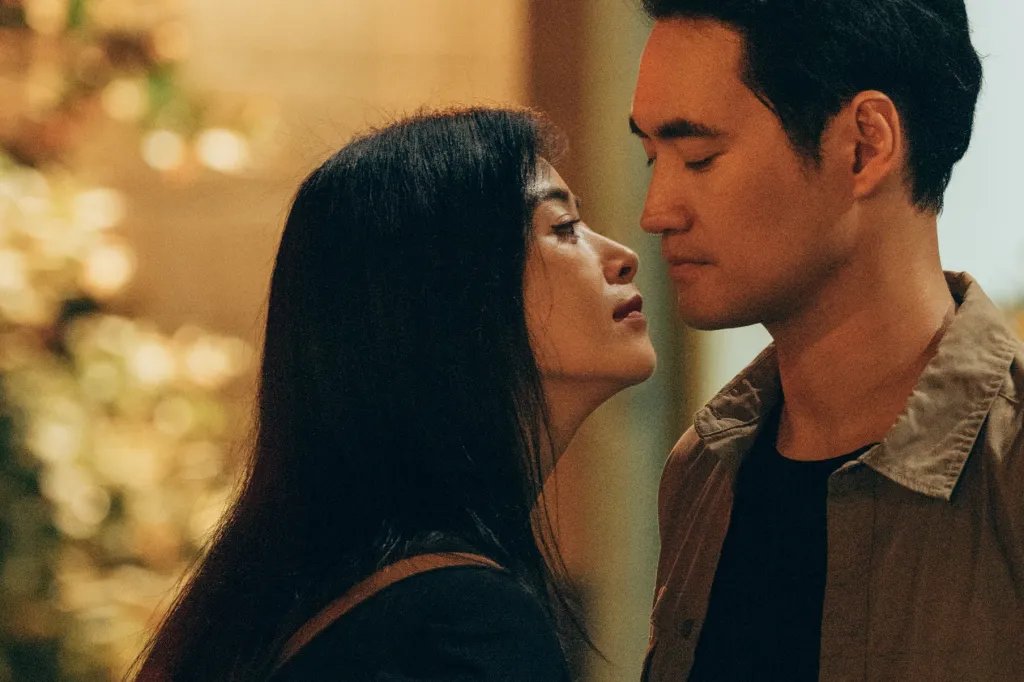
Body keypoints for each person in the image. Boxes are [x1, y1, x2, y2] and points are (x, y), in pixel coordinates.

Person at [131, 107, 656, 681]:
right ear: (451, 295)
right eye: (564, 228)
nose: (622, 257)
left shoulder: (315, 591)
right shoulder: (457, 621)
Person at [629, 1, 1024, 680]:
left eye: (698, 158)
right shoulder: (705, 467)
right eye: (649, 159)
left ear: (865, 146)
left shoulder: (1007, 471)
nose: (655, 211)